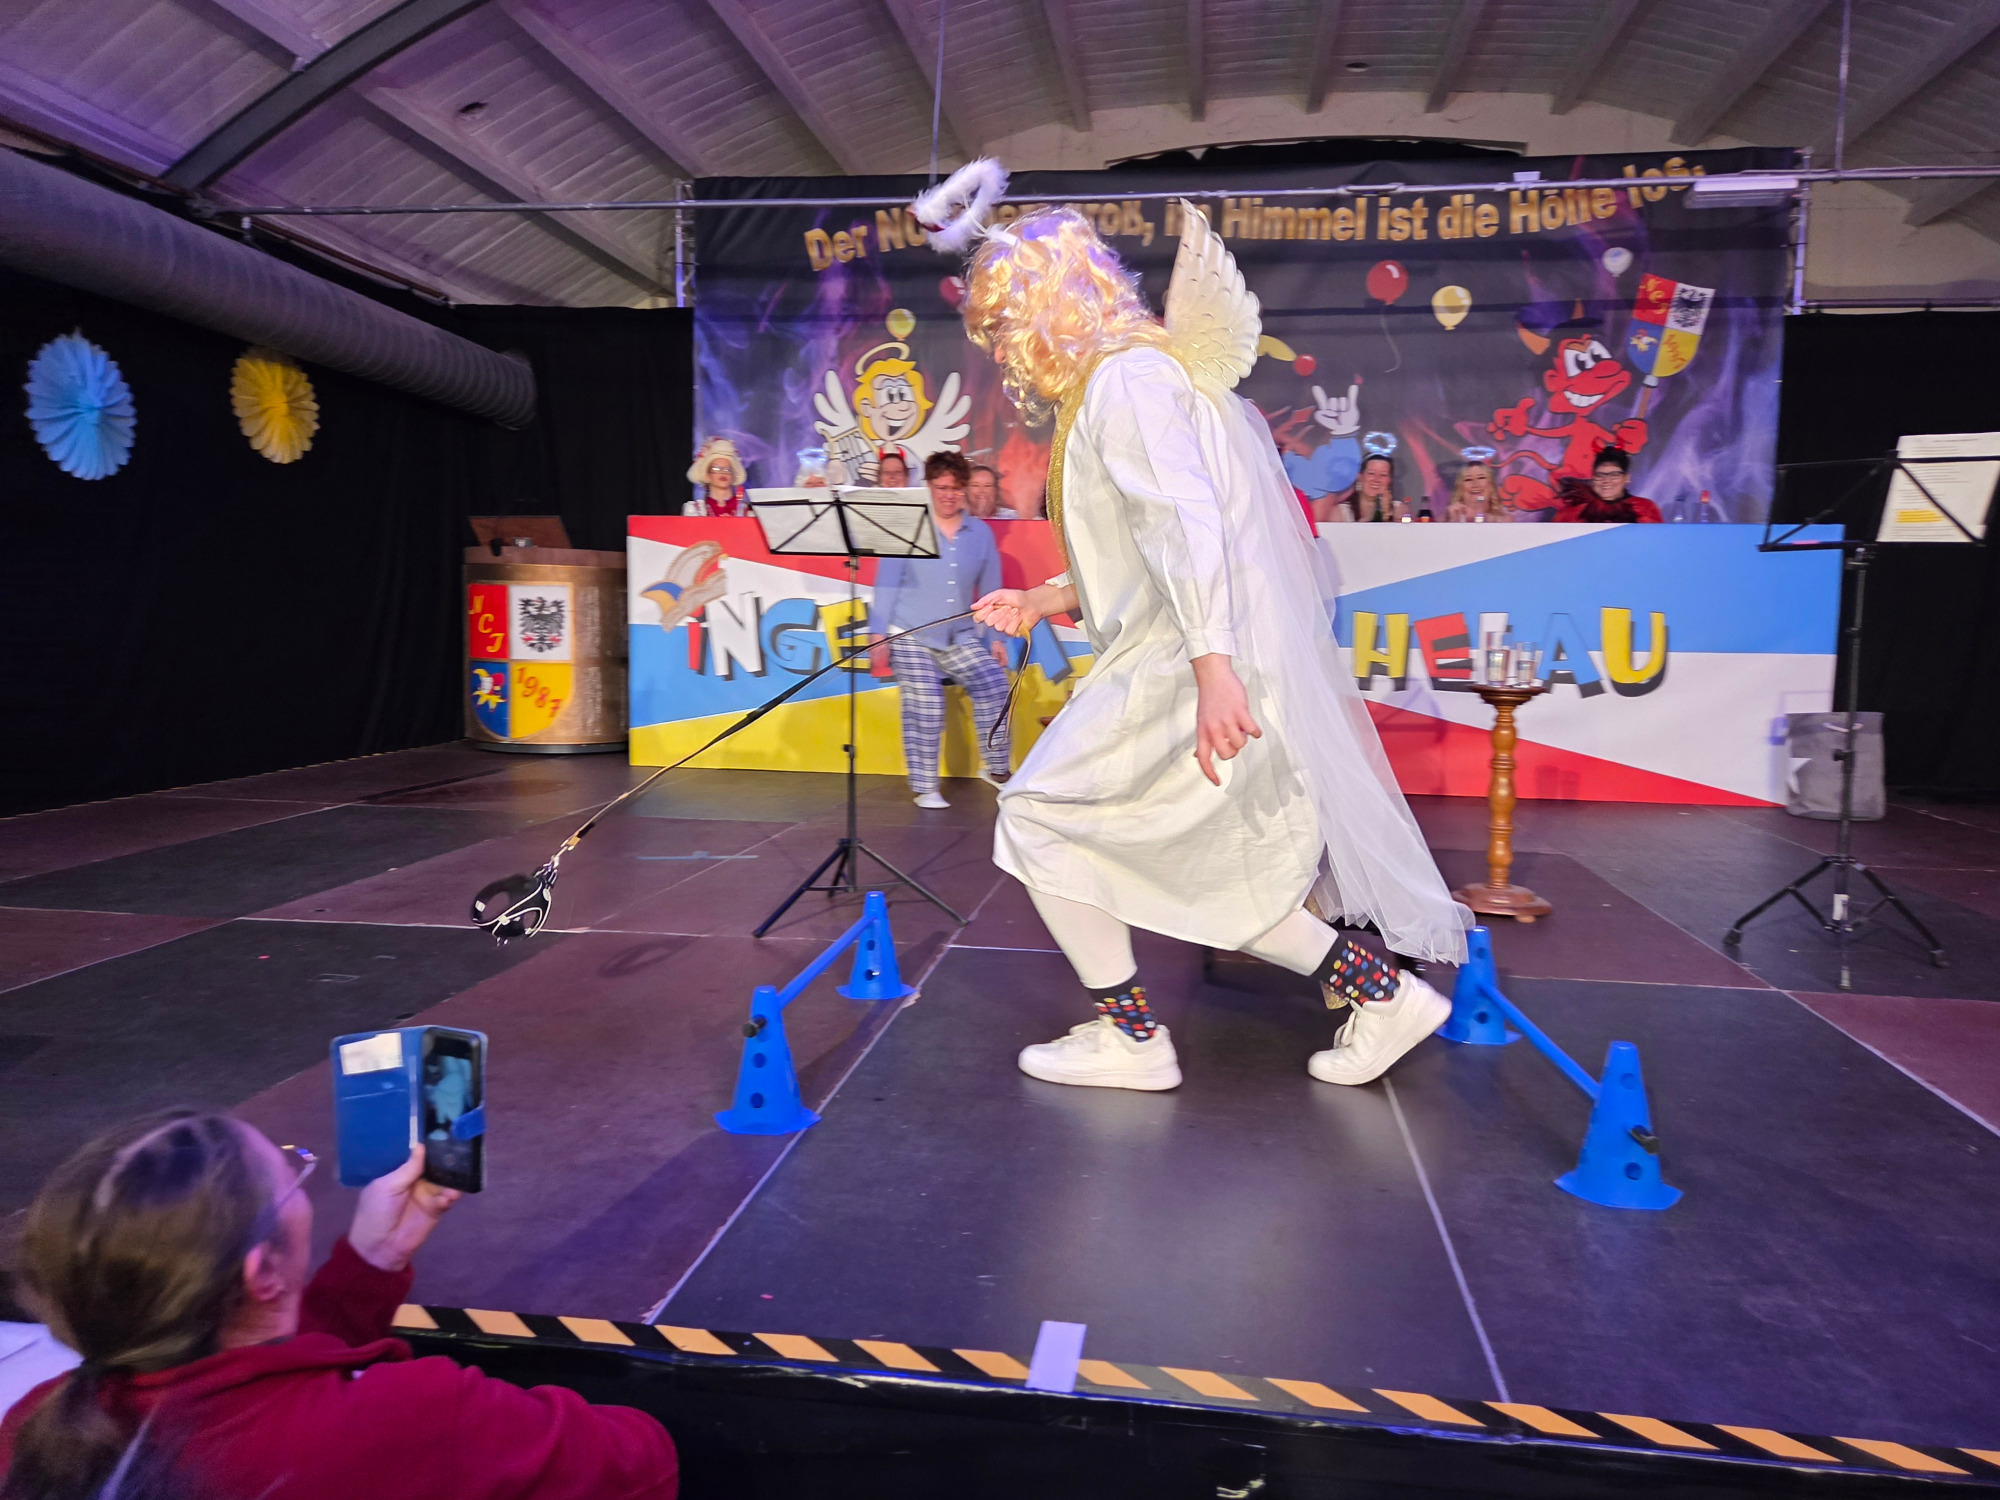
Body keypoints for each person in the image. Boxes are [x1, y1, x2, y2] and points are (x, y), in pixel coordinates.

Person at [912, 163, 1467, 1092]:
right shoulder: (1125, 379)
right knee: (1219, 867)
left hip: (1184, 661)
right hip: (1187, 653)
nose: (1002, 347)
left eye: (1006, 324)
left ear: (1047, 307)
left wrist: (1213, 671)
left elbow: (1187, 527)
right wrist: (1046, 600)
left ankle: (1133, 1039)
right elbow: (1142, 549)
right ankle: (1382, 996)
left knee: (1041, 816)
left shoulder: (1126, 380)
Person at [0, 1111, 676, 1500]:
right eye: (292, 1175)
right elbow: (643, 1461)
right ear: (262, 1271)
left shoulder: (38, 1427)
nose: (303, 1186)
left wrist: (371, 1263)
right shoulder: (419, 1413)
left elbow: (255, 1394)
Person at [868, 451, 1014, 809]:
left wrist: (996, 639)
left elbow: (991, 587)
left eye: (956, 488)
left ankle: (996, 769)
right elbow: (886, 582)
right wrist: (877, 633)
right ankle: (925, 787)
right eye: (942, 487)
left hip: (959, 634)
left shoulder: (979, 534)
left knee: (995, 685)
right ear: (930, 486)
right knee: (926, 701)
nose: (949, 495)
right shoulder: (910, 527)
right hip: (909, 632)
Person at [1552, 446, 1662, 522]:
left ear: (1626, 478)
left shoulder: (1644, 508)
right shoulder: (1572, 512)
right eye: (1600, 475)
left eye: (1614, 474)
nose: (1606, 480)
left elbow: (1655, 543)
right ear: (1593, 478)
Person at [1321, 451, 1394, 524]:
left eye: (1383, 475)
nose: (1376, 479)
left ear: (1390, 480)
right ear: (1360, 477)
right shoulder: (1340, 513)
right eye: (1371, 473)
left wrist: (1387, 515)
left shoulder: (1398, 510)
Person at [684, 437, 746, 517]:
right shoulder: (695, 510)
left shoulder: (745, 511)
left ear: (733, 475)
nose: (723, 472)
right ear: (707, 475)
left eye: (728, 469)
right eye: (716, 468)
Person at [1445, 459, 1510, 522]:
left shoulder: (1504, 520)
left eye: (1481, 478)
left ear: (1491, 485)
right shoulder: (1446, 519)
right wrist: (1453, 522)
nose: (1475, 484)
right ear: (1460, 487)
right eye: (1468, 479)